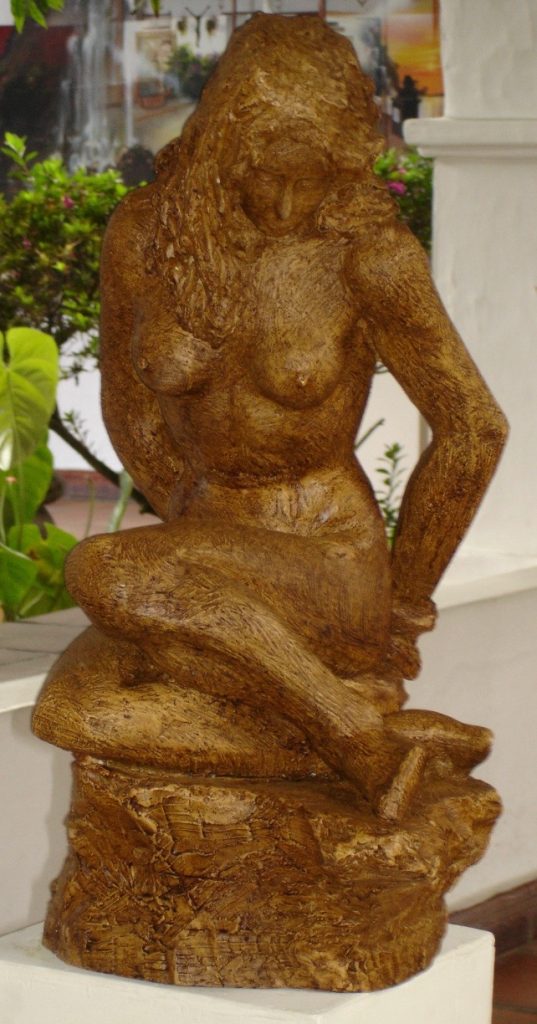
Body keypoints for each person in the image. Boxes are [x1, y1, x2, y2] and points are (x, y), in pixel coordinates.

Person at [63, 15, 507, 819]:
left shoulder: (366, 256)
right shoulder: (150, 234)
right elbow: (129, 407)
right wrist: (188, 515)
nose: (287, 202)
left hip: (325, 559)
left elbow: (474, 428)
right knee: (75, 708)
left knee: (104, 572)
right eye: (268, 174)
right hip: (208, 554)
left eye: (315, 179)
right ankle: (371, 734)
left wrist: (402, 610)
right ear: (225, 147)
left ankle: (348, 730)